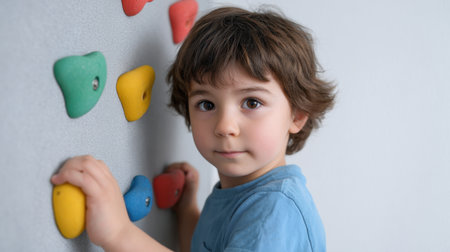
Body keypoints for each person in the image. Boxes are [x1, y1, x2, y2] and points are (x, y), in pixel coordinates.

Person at [51, 6, 335, 252]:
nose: (225, 126)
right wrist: (188, 212)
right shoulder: (241, 192)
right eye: (207, 104)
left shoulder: (274, 212)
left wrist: (118, 234)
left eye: (252, 102)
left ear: (297, 116)